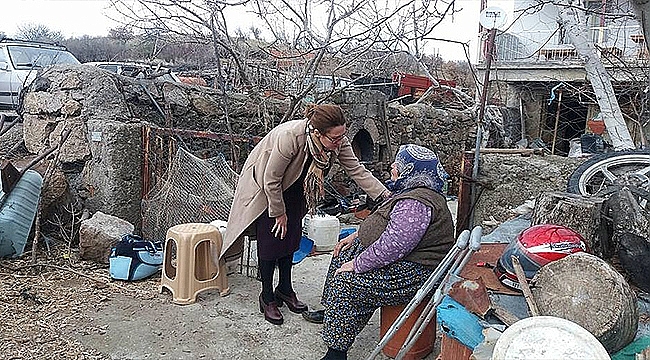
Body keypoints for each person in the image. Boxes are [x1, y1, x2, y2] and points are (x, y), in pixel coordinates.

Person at [221, 104, 390, 326]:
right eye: (335, 138)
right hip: (266, 189)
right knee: (271, 242)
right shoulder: (291, 137)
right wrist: (279, 213)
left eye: (342, 136)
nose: (340, 142)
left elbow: (357, 170)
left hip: (297, 189)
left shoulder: (338, 141)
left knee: (290, 240)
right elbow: (271, 180)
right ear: (318, 134)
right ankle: (267, 296)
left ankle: (284, 289)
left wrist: (386, 196)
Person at [311, 144, 455, 360]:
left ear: (410, 170)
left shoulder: (416, 203)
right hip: (405, 262)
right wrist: (357, 236)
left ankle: (336, 353)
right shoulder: (411, 191)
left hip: (415, 272)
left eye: (398, 165)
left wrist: (358, 264)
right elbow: (384, 227)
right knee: (343, 253)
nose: (392, 167)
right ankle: (334, 311)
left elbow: (394, 246)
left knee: (347, 281)